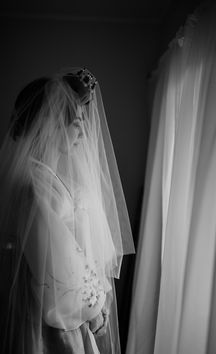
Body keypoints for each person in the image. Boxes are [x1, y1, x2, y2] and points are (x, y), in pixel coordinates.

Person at [0, 68, 134, 354]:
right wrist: (95, 308)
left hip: (66, 315)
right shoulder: (33, 186)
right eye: (76, 123)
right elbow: (59, 264)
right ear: (50, 126)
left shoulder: (43, 176)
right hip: (52, 325)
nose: (84, 133)